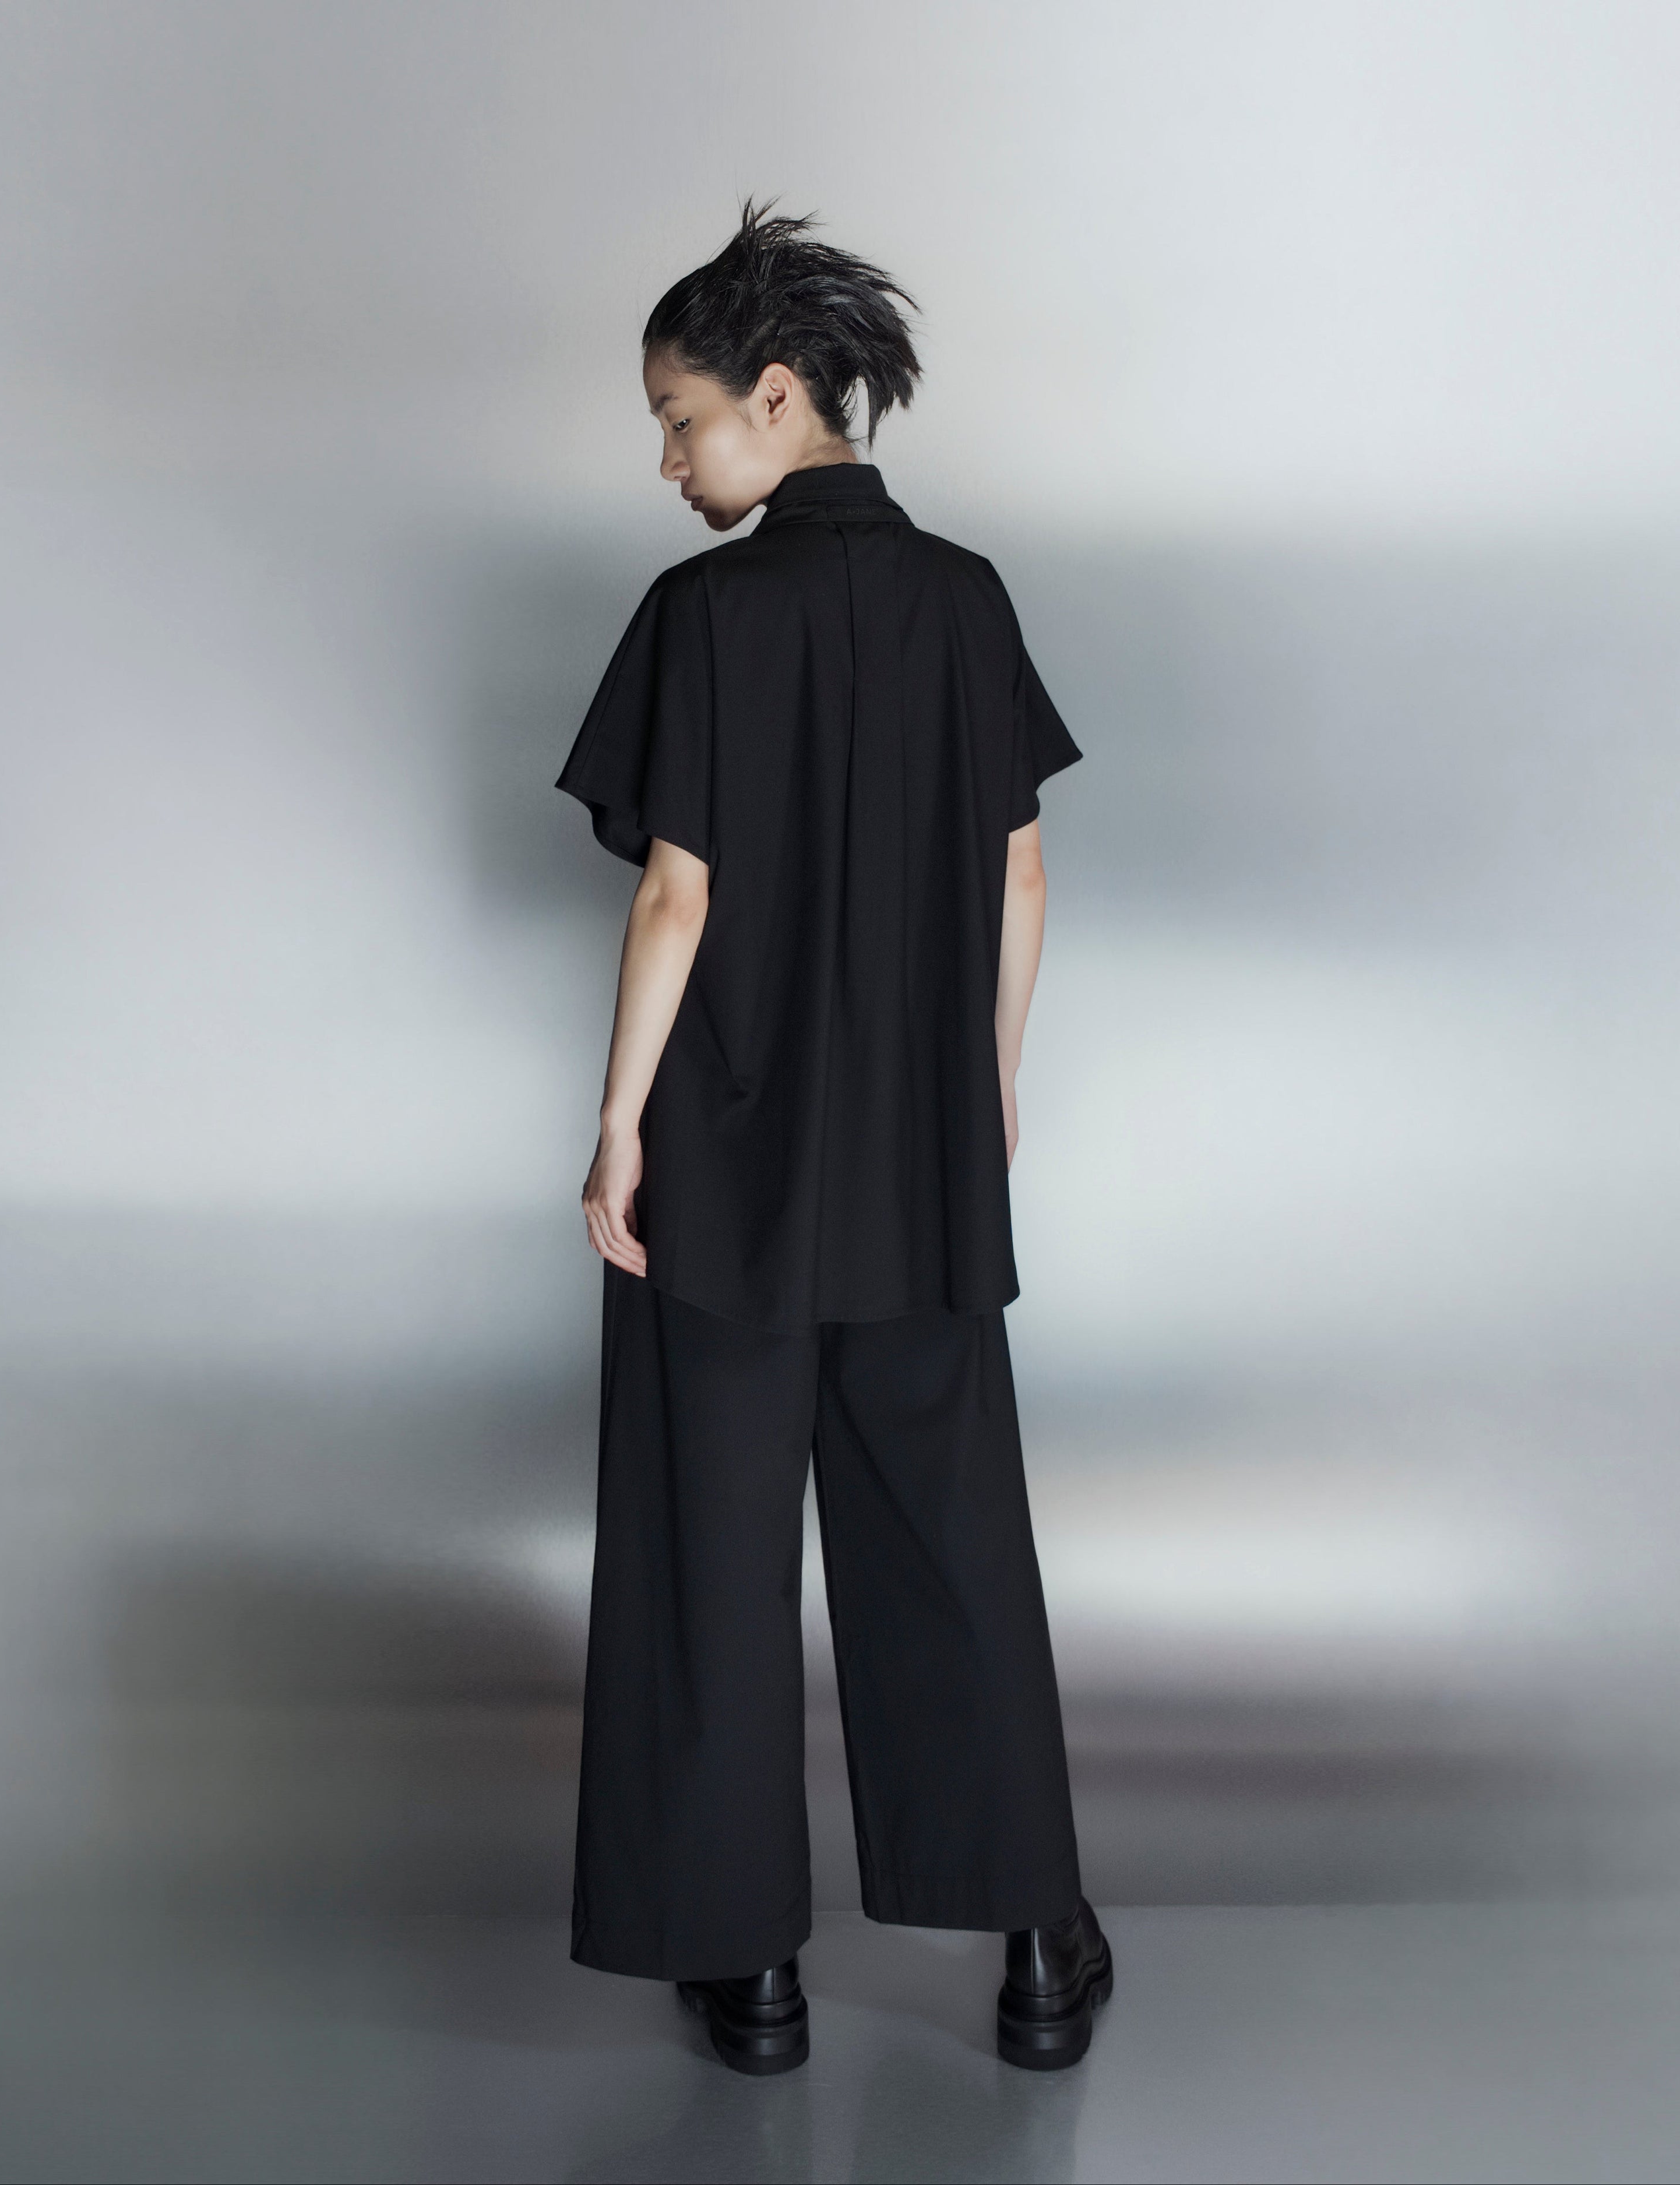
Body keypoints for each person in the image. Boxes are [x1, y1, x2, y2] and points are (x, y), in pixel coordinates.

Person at [553, 196, 1113, 2077]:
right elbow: (1022, 872)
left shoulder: (705, 617)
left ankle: (753, 1972)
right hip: (921, 1167)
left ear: (778, 395)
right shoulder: (969, 599)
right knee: (952, 1550)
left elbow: (678, 895)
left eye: (680, 418)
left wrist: (615, 1128)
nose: (668, 461)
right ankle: (1039, 1951)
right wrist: (991, 1080)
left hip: (725, 1170)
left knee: (708, 1558)